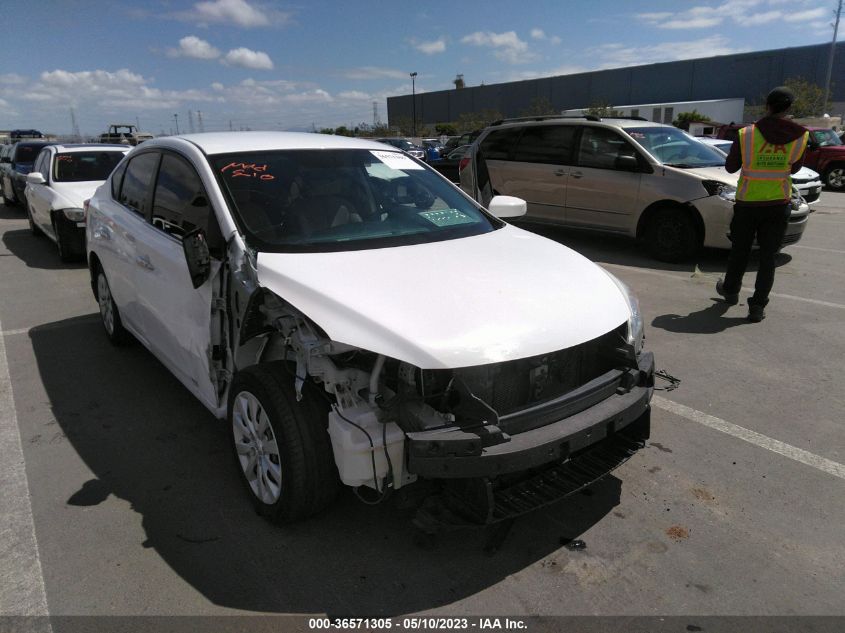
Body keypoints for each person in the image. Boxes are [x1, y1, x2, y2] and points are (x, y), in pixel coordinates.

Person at [716, 86, 809, 322]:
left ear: (767, 106)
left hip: (748, 204)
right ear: (789, 108)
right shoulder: (801, 135)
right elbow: (795, 168)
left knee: (740, 251)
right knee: (768, 257)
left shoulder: (746, 134)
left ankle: (730, 290)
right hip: (778, 204)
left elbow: (730, 168)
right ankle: (757, 306)